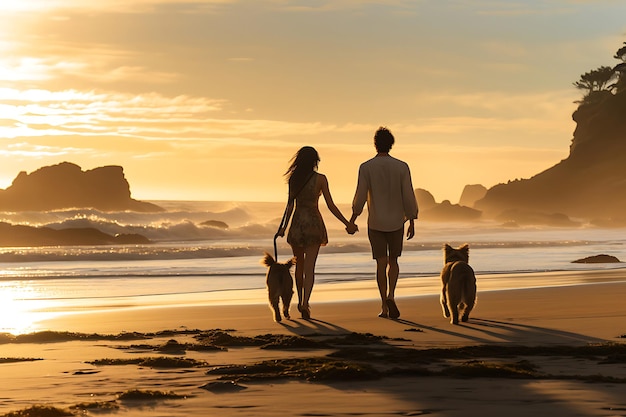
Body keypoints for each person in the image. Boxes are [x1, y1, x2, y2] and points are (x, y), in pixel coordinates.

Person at [277, 146, 357, 319]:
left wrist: (283, 227)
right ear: (315, 161)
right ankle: (305, 302)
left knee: (299, 266)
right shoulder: (321, 179)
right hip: (314, 223)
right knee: (310, 267)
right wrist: (347, 223)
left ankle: (299, 299)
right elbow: (330, 205)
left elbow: (289, 206)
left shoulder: (294, 179)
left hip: (297, 224)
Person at [349, 127, 418, 319]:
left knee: (380, 263)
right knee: (393, 261)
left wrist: (352, 220)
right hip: (397, 221)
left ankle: (384, 307)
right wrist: (412, 220)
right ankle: (391, 295)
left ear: (375, 144)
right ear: (391, 144)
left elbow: (360, 197)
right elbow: (408, 195)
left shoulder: (366, 167)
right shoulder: (402, 166)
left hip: (376, 222)